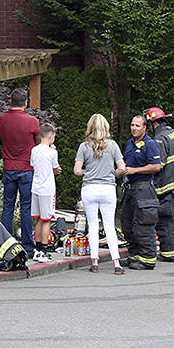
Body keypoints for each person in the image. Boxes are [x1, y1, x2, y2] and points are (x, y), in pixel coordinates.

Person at [74, 114, 127, 274]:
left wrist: (87, 172)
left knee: (93, 225)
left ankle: (94, 261)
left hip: (89, 189)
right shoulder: (113, 145)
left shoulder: (84, 146)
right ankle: (116, 263)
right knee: (110, 226)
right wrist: (112, 173)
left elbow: (76, 171)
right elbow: (122, 168)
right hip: (108, 189)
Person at [0, 87, 40, 259]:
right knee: (25, 207)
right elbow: (38, 142)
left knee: (7, 206)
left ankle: (6, 246)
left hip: (8, 167)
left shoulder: (2, 119)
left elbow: (1, 139)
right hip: (26, 169)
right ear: (25, 103)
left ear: (11, 101)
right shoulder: (32, 121)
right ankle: (28, 248)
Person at [119, 113, 163, 270]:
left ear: (145, 128)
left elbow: (156, 166)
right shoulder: (130, 143)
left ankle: (148, 258)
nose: (134, 128)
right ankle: (134, 255)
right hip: (130, 189)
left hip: (144, 189)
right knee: (127, 222)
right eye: (132, 125)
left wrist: (134, 170)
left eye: (137, 125)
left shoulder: (150, 144)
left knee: (143, 224)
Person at [147, 106, 174, 262]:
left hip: (168, 185)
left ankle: (168, 253)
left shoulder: (159, 139)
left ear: (153, 123)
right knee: (172, 215)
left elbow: (159, 165)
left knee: (164, 218)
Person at [29, 124, 61, 262]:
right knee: (46, 220)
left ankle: (36, 249)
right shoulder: (52, 153)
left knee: (37, 219)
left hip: (35, 187)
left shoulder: (34, 150)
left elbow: (32, 165)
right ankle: (44, 250)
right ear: (50, 136)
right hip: (47, 189)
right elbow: (55, 168)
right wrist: (57, 170)